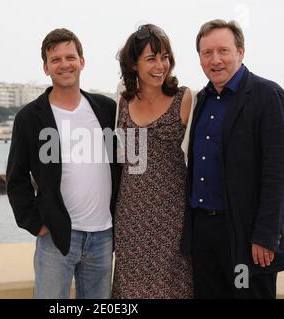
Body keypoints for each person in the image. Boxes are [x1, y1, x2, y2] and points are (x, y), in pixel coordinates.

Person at [181, 19, 284, 299]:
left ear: (241, 52)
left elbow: (280, 175)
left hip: (246, 239)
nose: (215, 59)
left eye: (223, 50)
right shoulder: (203, 100)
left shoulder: (269, 97)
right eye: (207, 53)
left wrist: (266, 236)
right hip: (205, 237)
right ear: (199, 58)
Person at [6, 28, 119, 299]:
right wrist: (36, 224)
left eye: (70, 57)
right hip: (56, 237)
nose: (64, 64)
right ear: (46, 68)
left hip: (103, 236)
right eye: (55, 59)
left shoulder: (106, 109)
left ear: (82, 61)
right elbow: (16, 178)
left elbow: (123, 165)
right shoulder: (30, 117)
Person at [112, 24, 193, 299]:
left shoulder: (184, 98)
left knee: (173, 289)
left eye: (165, 57)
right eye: (151, 58)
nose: (160, 65)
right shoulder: (122, 102)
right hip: (130, 217)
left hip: (173, 216)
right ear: (134, 64)